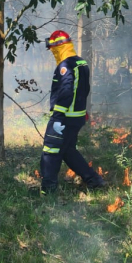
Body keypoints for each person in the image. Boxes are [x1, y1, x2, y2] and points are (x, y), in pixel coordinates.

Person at [40, 30, 106, 195]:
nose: (53, 53)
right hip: (76, 118)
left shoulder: (65, 66)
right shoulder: (81, 63)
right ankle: (94, 180)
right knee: (68, 151)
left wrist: (58, 114)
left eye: (53, 49)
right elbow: (85, 90)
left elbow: (68, 89)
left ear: (58, 47)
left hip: (64, 118)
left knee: (51, 150)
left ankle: (48, 190)